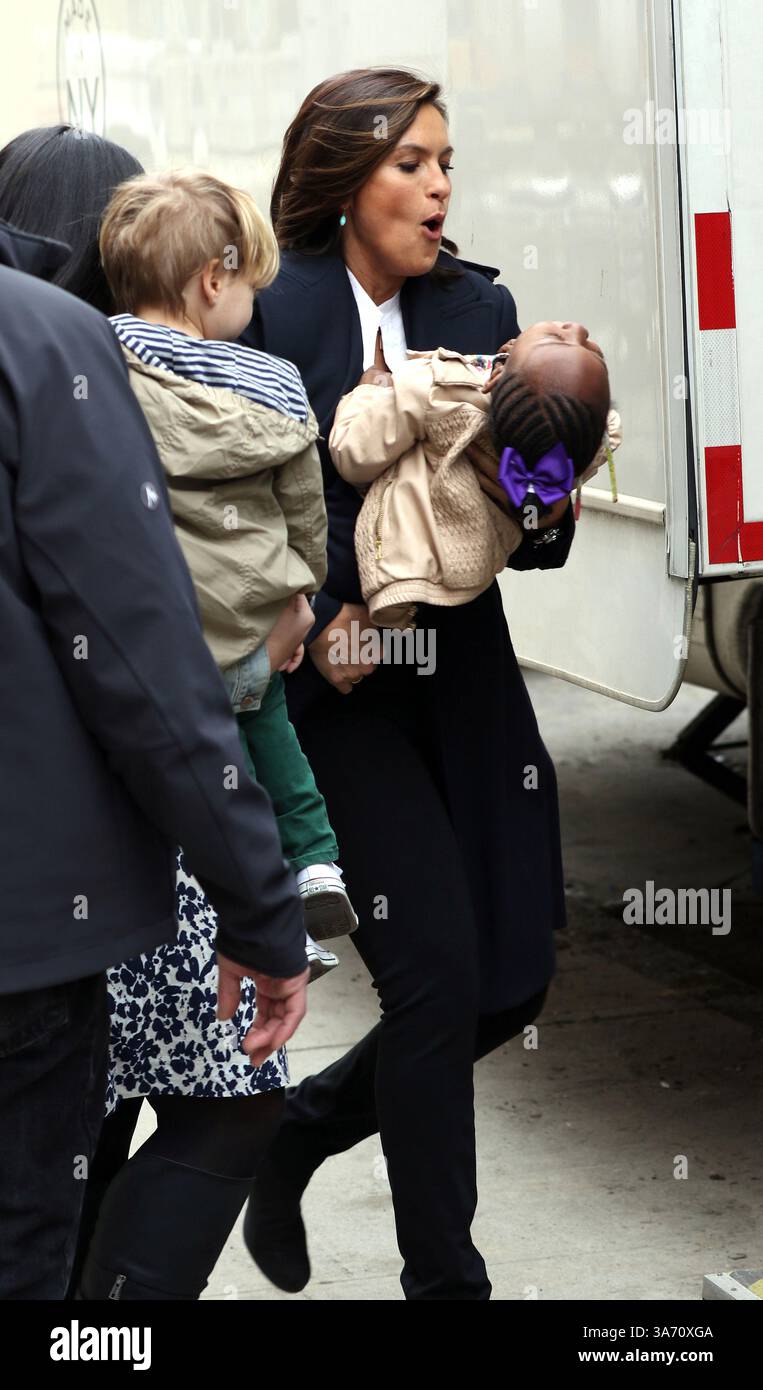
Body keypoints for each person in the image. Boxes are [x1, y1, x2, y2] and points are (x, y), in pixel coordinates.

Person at [240, 67, 581, 1301]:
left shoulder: (480, 303)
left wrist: (552, 469)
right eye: (410, 163)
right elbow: (252, 506)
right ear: (343, 182)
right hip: (344, 694)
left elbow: (537, 536)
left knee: (511, 976)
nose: (439, 187)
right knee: (434, 972)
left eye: (446, 163)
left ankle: (303, 1127)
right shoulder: (276, 312)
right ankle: (448, 1280)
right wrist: (322, 614)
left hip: (464, 677)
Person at [0, 126, 316, 1303]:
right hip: (107, 869)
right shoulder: (62, 354)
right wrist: (265, 904)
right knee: (212, 1099)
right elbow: (140, 663)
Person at [100, 168, 358, 962]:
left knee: (211, 788)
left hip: (164, 644)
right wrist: (302, 594)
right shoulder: (276, 385)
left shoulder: (101, 363)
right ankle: (313, 870)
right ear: (213, 280)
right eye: (249, 282)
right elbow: (304, 509)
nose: (255, 303)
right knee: (273, 742)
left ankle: (251, 913)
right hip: (257, 633)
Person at [329, 325, 620, 627]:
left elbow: (352, 453)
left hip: (412, 579)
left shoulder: (436, 385)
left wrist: (369, 391)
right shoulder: (574, 442)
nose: (578, 329)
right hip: (473, 565)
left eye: (559, 339)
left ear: (495, 379)